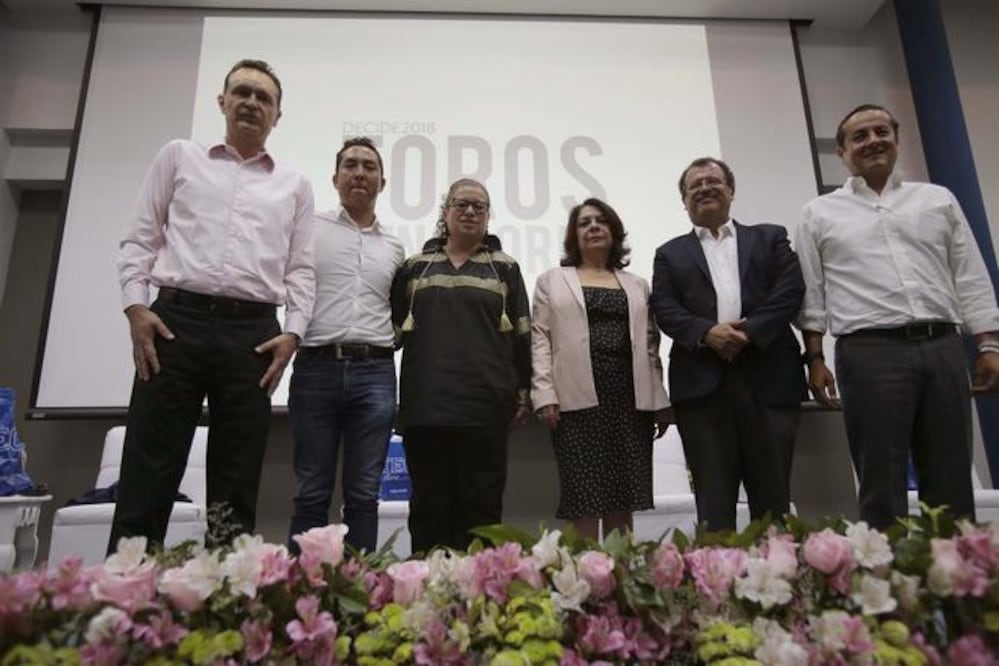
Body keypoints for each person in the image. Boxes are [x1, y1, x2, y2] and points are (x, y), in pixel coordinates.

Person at [112, 59, 315, 551]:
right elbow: (140, 240)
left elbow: (301, 271)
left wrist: (294, 334)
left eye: (263, 97)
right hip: (173, 325)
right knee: (149, 468)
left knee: (237, 478)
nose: (251, 102)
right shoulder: (180, 156)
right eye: (241, 92)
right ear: (222, 102)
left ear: (277, 115)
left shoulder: (295, 184)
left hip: (253, 336)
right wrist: (136, 307)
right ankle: (129, 602)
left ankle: (226, 599)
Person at [796, 104, 999, 529]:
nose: (873, 141)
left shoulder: (936, 199)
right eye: (860, 136)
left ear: (896, 138)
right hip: (869, 353)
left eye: (881, 131)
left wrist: (988, 343)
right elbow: (812, 292)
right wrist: (814, 358)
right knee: (880, 479)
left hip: (942, 346)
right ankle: (887, 582)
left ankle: (953, 581)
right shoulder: (820, 212)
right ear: (842, 152)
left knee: (951, 475)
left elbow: (969, 273)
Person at [651, 157, 806, 532]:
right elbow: (665, 309)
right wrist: (708, 333)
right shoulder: (669, 253)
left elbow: (790, 292)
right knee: (714, 503)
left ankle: (778, 584)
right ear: (684, 201)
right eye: (694, 185)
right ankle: (717, 585)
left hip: (769, 381)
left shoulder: (770, 237)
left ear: (731, 190)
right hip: (702, 391)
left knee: (773, 503)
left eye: (713, 180)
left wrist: (747, 333)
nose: (704, 188)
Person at [390, 178, 531, 553]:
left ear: (488, 216)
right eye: (461, 204)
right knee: (427, 509)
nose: (470, 212)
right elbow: (390, 333)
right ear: (445, 212)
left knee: (482, 512)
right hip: (426, 408)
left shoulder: (506, 268)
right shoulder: (413, 269)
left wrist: (524, 392)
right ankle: (425, 597)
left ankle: (479, 603)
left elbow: (522, 336)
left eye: (479, 206)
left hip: (486, 408)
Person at [286, 137, 403, 555]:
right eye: (350, 165)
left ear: (382, 182)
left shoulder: (394, 247)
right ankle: (301, 594)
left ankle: (361, 593)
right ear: (335, 178)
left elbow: (400, 311)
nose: (359, 172)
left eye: (369, 166)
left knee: (364, 494)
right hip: (316, 366)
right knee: (311, 492)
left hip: (375, 372)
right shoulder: (309, 228)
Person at [531, 198, 670, 541]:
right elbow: (540, 339)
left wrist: (660, 398)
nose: (593, 227)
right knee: (585, 496)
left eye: (600, 221)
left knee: (624, 495)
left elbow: (650, 345)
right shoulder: (553, 280)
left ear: (613, 231)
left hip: (630, 398)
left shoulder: (636, 283)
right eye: (584, 223)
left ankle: (619, 580)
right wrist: (544, 393)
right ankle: (585, 582)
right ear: (573, 236)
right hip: (575, 399)